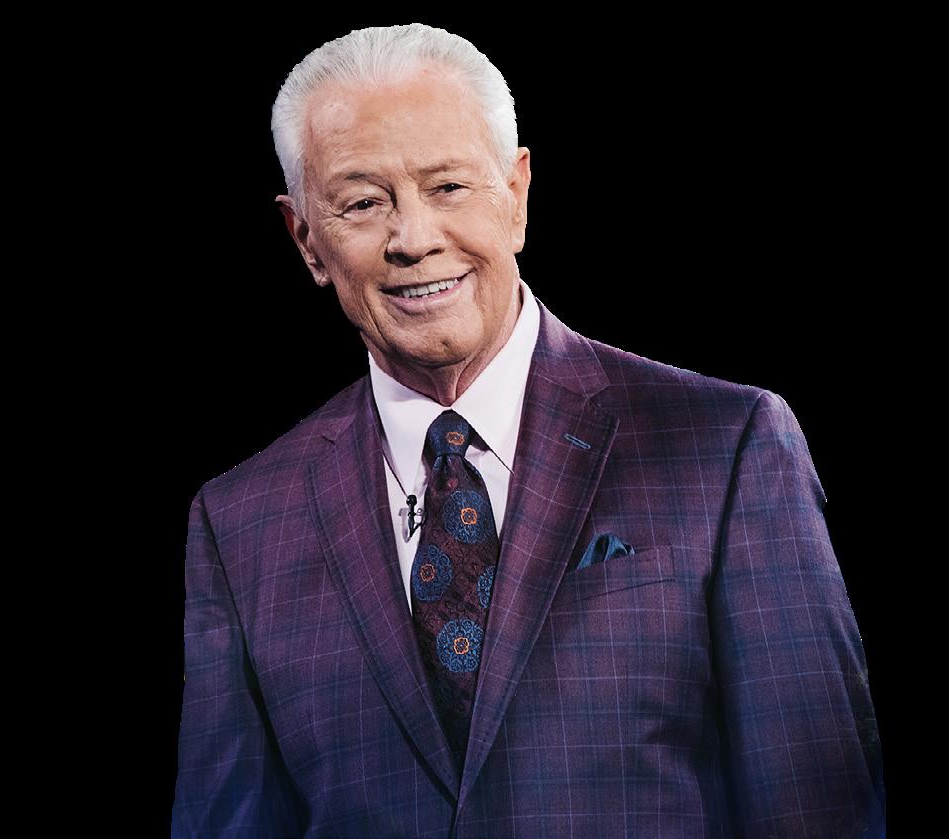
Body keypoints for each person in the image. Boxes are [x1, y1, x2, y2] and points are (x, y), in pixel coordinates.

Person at [171, 23, 885, 838]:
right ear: (306, 239)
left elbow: (815, 809)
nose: (414, 239)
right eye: (363, 203)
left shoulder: (724, 446)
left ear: (515, 195)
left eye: (448, 187)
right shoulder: (239, 520)